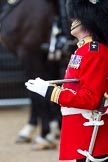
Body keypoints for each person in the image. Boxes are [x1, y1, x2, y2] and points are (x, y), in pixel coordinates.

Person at [25, 0, 108, 161]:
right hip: (80, 131)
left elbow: (90, 98)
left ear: (88, 18)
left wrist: (49, 91)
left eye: (75, 17)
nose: (71, 20)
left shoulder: (94, 51)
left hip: (90, 135)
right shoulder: (83, 50)